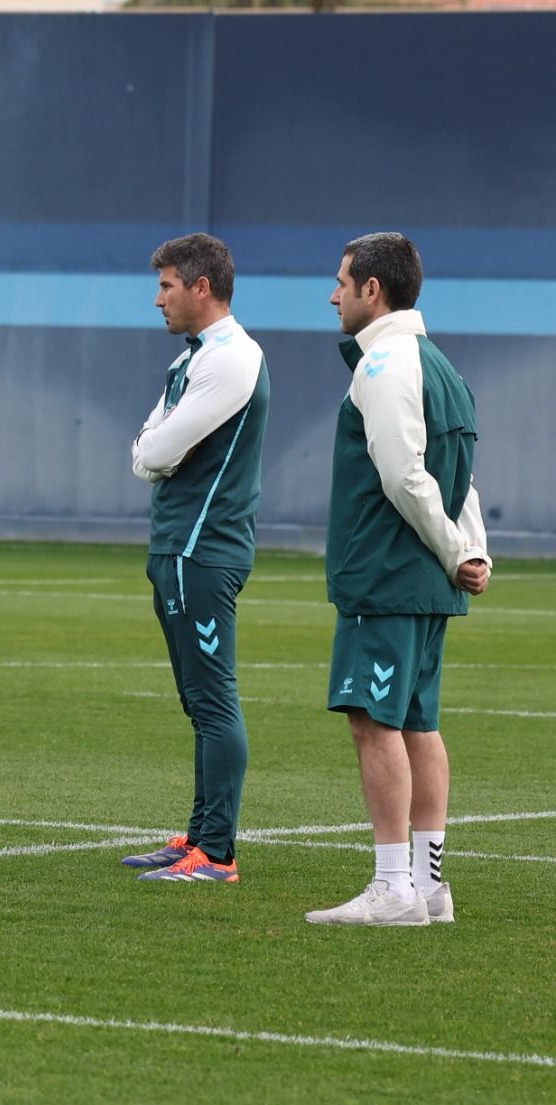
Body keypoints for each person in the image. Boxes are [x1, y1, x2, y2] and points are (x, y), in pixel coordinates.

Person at [305, 233, 489, 926]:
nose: (334, 294)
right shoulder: (443, 366)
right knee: (418, 723)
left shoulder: (382, 364)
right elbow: (460, 478)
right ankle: (428, 883)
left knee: (373, 722)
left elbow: (404, 476)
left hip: (385, 574)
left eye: (342, 281)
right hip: (422, 581)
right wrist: (471, 552)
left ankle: (393, 888)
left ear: (372, 290)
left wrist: (451, 551)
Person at [121, 233, 270, 883]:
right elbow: (147, 449)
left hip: (202, 549)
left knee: (213, 700)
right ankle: (201, 834)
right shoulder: (196, 358)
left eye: (167, 285)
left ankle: (218, 851)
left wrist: (156, 448)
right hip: (178, 547)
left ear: (201, 287)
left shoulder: (234, 358)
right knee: (197, 701)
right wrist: (155, 447)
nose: (158, 299)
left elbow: (154, 452)